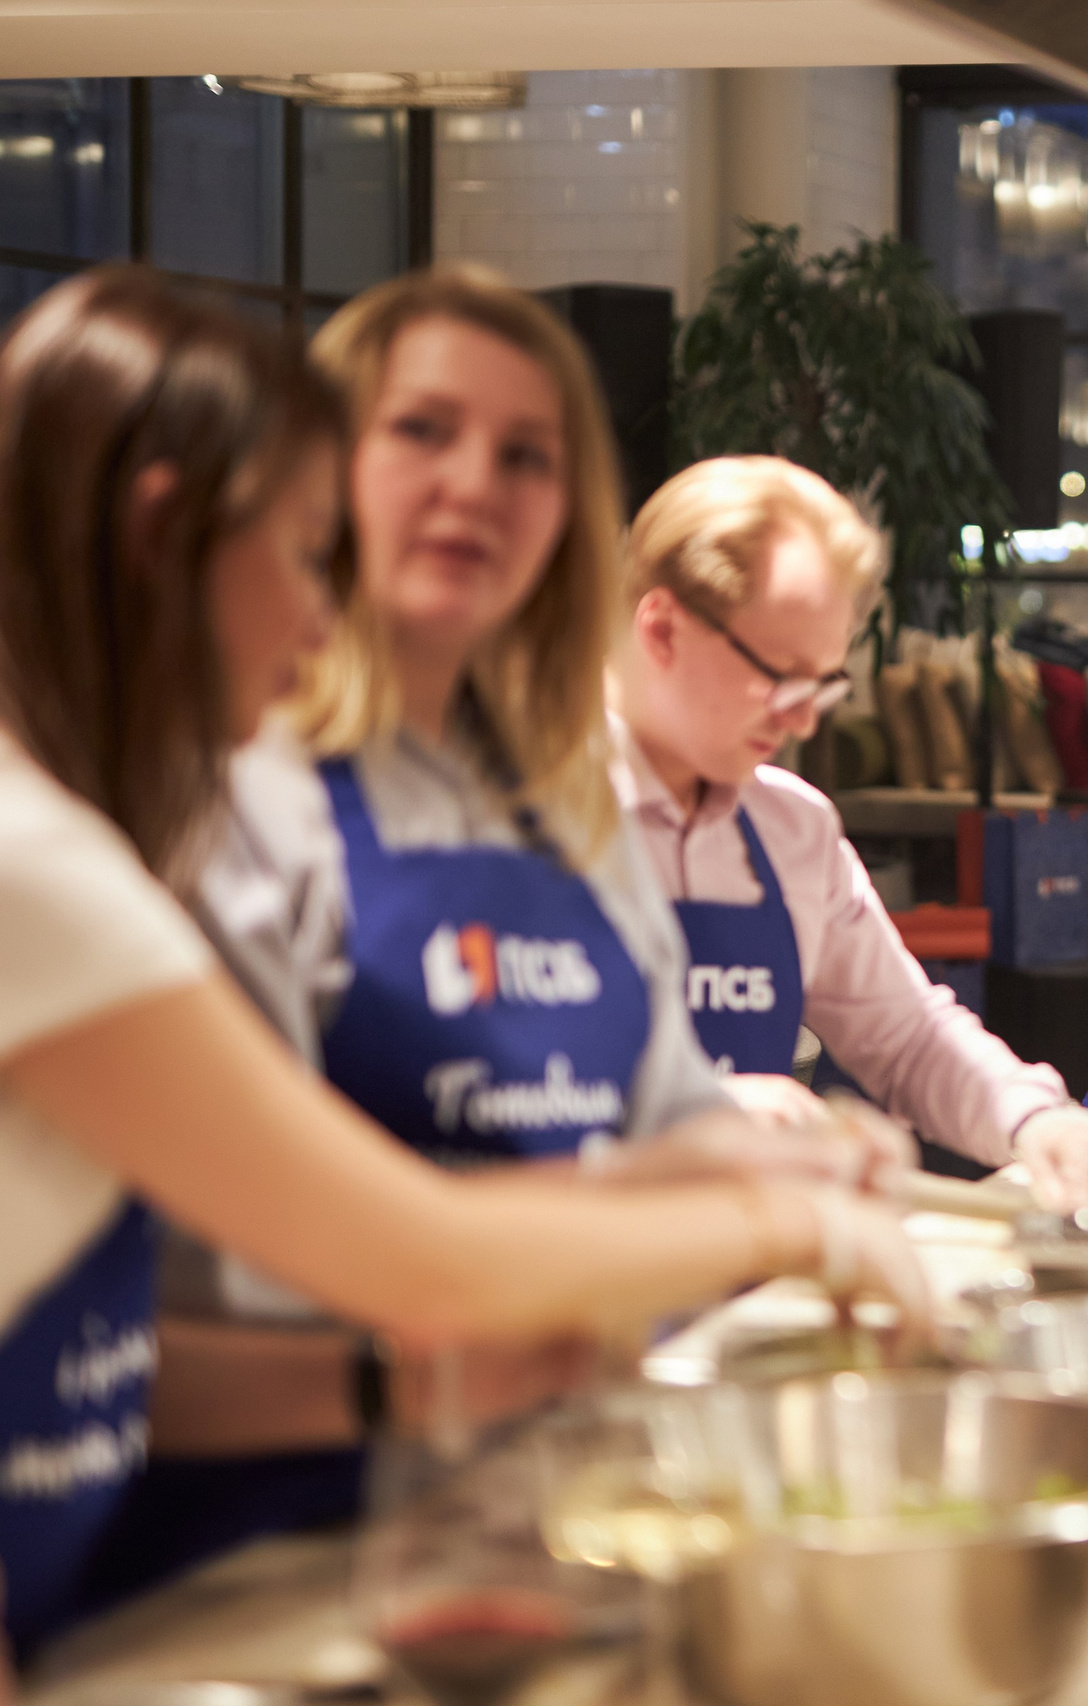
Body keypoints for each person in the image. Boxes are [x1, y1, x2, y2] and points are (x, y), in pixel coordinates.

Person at [0, 269, 919, 1668]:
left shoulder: (554, 799)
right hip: (241, 1562)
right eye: (307, 549)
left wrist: (724, 1171)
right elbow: (399, 1249)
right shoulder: (65, 855)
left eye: (527, 454)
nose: (320, 618)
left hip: (453, 1510)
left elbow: (136, 1344)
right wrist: (786, 1226)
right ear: (166, 532)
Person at [109, 264, 781, 1594]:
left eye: (527, 455)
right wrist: (754, 1218)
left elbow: (669, 1117)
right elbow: (242, 1261)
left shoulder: (563, 802)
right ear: (317, 472)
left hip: (546, 1507)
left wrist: (790, 1158)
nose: (476, 483)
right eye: (423, 429)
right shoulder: (235, 787)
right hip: (270, 1547)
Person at [611, 455, 1088, 1209]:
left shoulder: (792, 829)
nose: (804, 720)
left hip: (753, 1258)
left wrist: (1036, 1118)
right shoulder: (514, 818)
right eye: (781, 676)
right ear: (662, 629)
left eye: (824, 682)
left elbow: (904, 1035)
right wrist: (699, 1112)